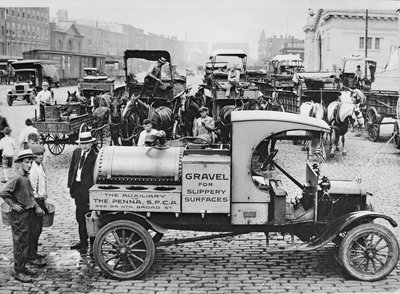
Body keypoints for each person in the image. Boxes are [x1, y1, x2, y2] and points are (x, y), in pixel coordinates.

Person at [0, 149, 45, 283]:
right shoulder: (17, 177)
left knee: (26, 242)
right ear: (19, 163)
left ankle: (23, 266)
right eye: (26, 162)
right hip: (19, 217)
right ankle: (18, 271)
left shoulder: (25, 176)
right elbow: (3, 192)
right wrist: (13, 205)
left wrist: (36, 207)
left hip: (27, 214)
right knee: (20, 243)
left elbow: (30, 195)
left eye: (31, 162)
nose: (29, 165)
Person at [67, 132, 98, 251]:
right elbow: (72, 169)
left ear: (91, 143)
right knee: (79, 217)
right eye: (82, 143)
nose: (84, 146)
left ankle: (93, 245)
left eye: (87, 143)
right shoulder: (76, 152)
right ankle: (83, 242)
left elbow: (95, 176)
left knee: (90, 218)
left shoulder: (95, 156)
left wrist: (92, 192)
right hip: (78, 190)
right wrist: (70, 186)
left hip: (88, 191)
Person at [29, 145, 51, 263]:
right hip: (35, 202)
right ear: (33, 156)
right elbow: (31, 192)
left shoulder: (40, 167)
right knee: (34, 229)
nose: (41, 157)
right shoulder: (32, 170)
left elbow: (43, 184)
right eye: (38, 155)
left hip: (41, 200)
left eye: (42, 154)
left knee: (38, 229)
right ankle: (31, 256)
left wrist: (45, 199)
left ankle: (34, 253)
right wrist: (37, 206)